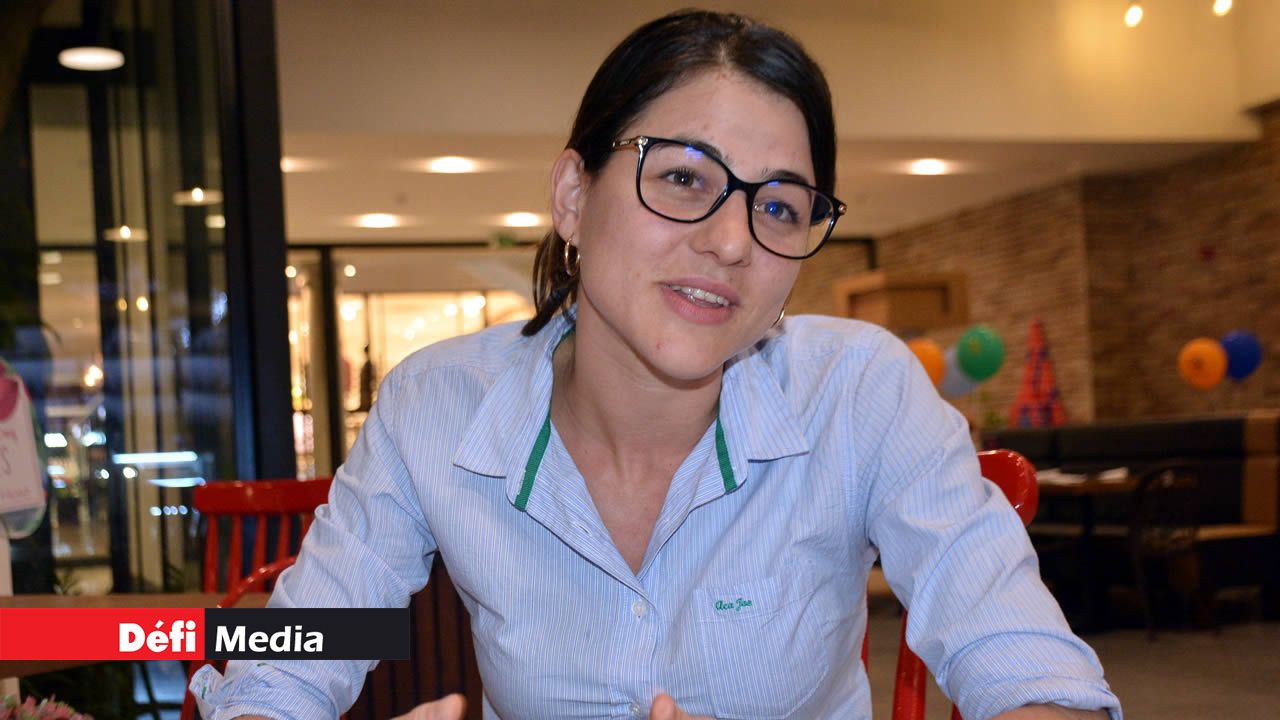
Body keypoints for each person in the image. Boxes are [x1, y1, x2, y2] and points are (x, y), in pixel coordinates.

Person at [193, 10, 1121, 720]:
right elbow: (290, 660)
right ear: (572, 195)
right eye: (682, 177)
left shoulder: (859, 392)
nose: (731, 242)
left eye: (780, 206)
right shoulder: (436, 406)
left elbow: (1027, 668)